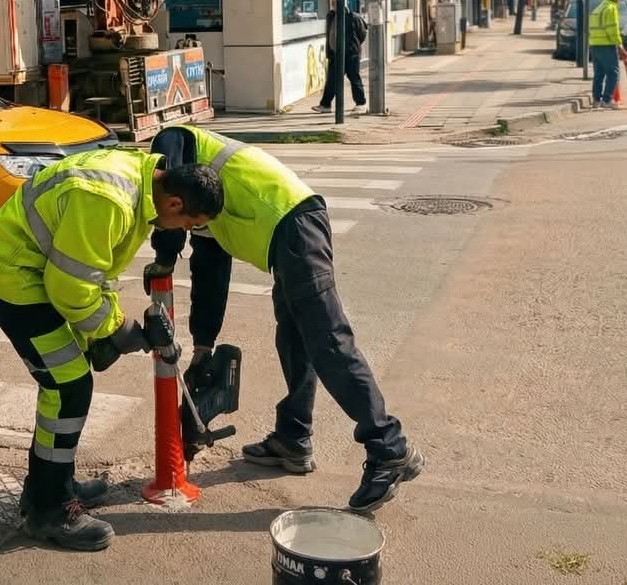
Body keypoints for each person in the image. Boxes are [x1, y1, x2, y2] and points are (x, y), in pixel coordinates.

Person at [147, 125, 423, 514]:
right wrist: (203, 345)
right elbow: (209, 275)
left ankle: (389, 447)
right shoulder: (201, 209)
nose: (181, 228)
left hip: (296, 224)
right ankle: (294, 437)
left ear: (175, 201)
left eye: (174, 220)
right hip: (286, 241)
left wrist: (165, 245)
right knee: (294, 341)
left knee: (329, 342)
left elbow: (171, 149)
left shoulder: (175, 147)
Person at [0, 148, 223, 552]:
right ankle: (48, 511)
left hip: (33, 269)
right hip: (11, 275)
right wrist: (120, 329)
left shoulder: (141, 186)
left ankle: (53, 485)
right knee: (68, 388)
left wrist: (104, 331)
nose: (183, 230)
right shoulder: (110, 199)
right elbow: (70, 286)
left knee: (67, 385)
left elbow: (97, 269)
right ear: (176, 203)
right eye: (189, 223)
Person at [312, 0, 367, 114]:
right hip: (335, 54)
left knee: (354, 78)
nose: (334, 6)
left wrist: (353, 46)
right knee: (332, 80)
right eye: (332, 4)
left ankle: (361, 103)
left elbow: (362, 34)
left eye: (336, 4)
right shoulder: (331, 16)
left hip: (351, 54)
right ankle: (325, 105)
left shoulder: (353, 17)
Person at [587, 0, 627, 109]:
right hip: (606, 45)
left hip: (595, 45)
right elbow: (613, 29)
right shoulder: (611, 8)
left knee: (598, 74)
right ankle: (607, 100)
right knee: (613, 73)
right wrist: (620, 45)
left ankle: (596, 100)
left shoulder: (598, 9)